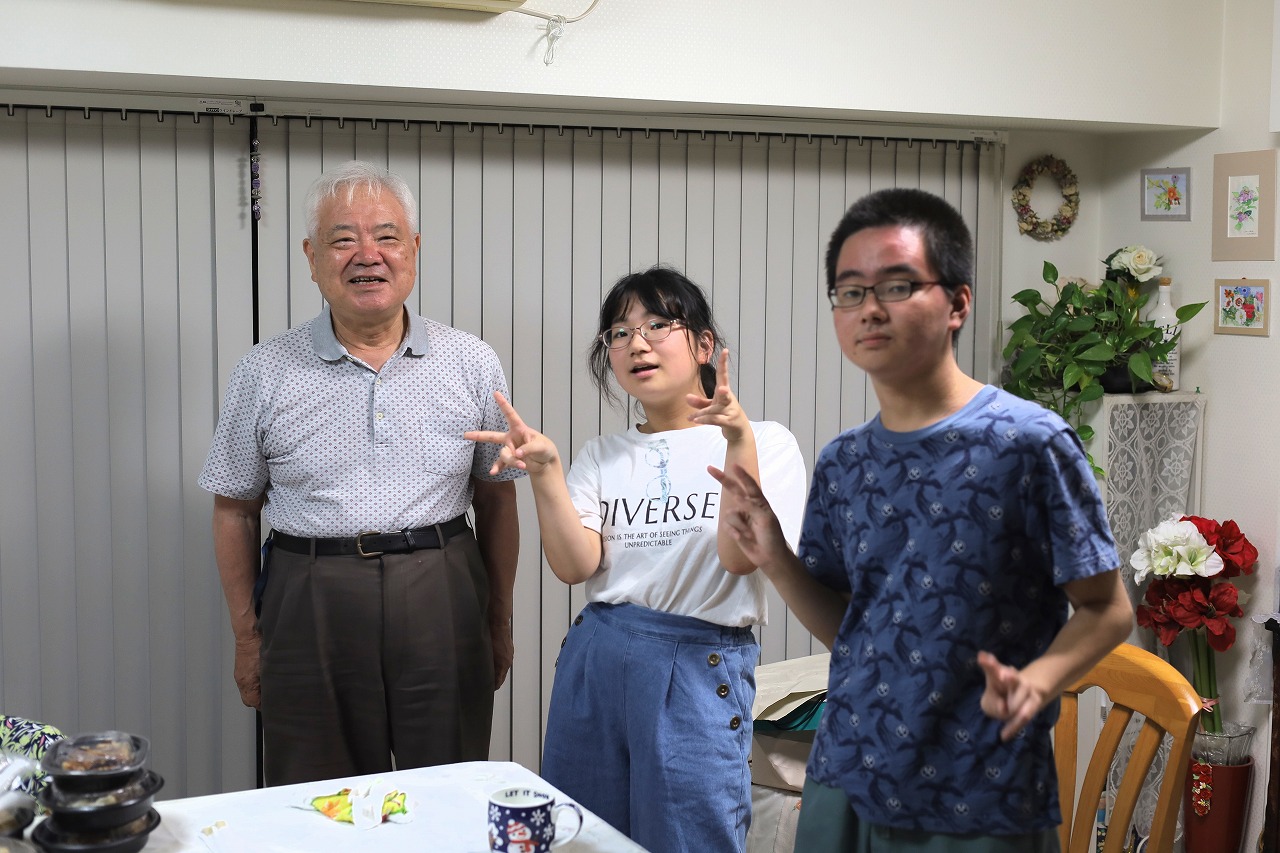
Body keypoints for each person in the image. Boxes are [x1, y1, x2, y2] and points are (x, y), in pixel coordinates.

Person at [712, 188, 1134, 852]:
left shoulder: (1029, 443)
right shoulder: (845, 461)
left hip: (982, 788)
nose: (870, 308)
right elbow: (851, 628)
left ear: (958, 303)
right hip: (847, 775)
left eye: (898, 285)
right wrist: (775, 558)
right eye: (850, 291)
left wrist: (1038, 680)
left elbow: (1108, 610)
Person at [198, 160, 520, 786]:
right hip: (308, 598)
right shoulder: (264, 370)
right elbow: (234, 509)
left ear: (414, 249)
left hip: (442, 591)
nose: (367, 255)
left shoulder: (471, 361)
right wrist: (247, 638)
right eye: (343, 239)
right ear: (311, 257)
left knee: (446, 788)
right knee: (319, 797)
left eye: (387, 236)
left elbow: (497, 499)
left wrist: (498, 620)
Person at [466, 266, 807, 853]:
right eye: (619, 333)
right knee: (584, 838)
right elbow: (574, 566)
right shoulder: (603, 454)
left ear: (704, 344)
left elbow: (739, 558)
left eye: (657, 325)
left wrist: (737, 442)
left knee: (691, 836)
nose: (637, 344)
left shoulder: (766, 441)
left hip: (697, 663)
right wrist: (545, 471)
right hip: (598, 656)